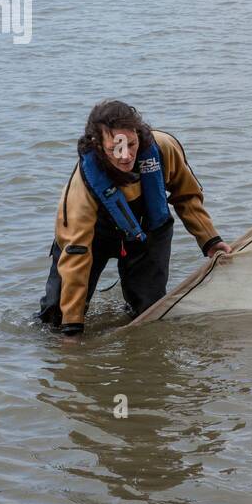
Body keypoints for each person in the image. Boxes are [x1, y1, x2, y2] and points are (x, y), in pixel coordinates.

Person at [39, 100, 231, 336]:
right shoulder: (82, 187)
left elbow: (187, 195)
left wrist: (210, 240)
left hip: (148, 228)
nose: (125, 155)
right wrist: (72, 328)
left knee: (149, 315)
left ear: (139, 134)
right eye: (115, 149)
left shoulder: (163, 148)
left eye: (131, 144)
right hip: (94, 235)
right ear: (98, 145)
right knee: (55, 320)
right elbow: (76, 254)